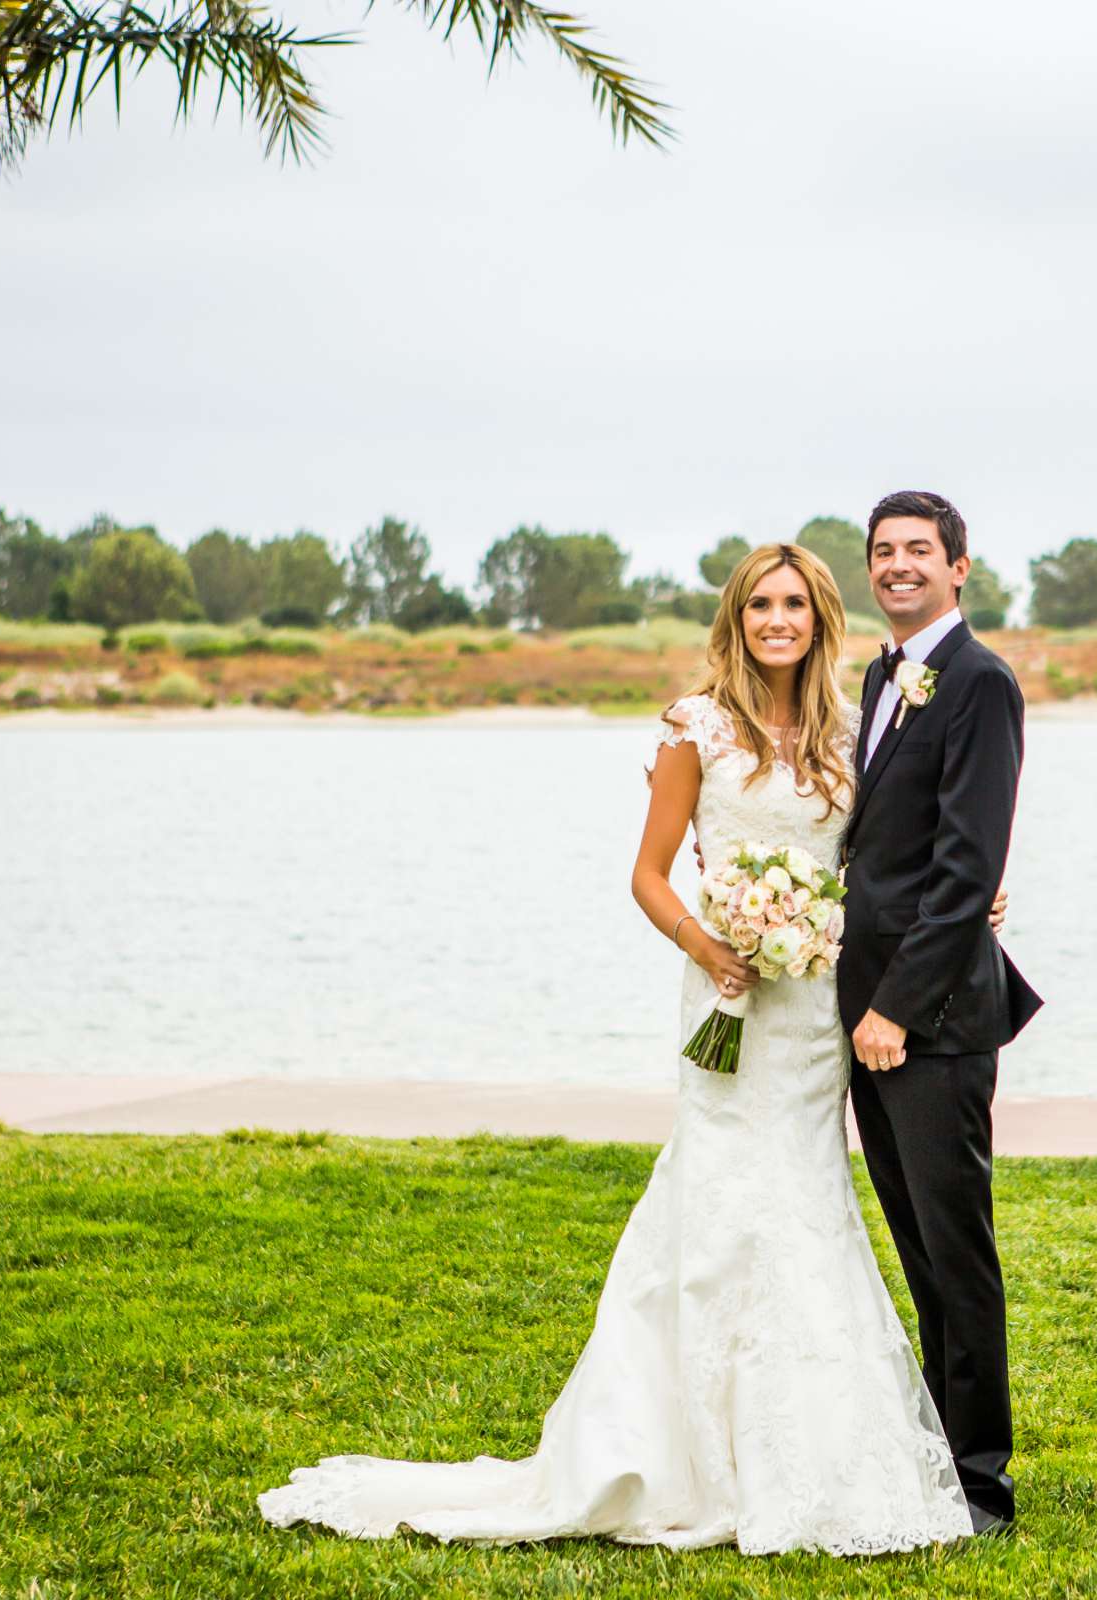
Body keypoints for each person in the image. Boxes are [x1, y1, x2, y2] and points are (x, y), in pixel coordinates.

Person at [256, 539, 1018, 1556]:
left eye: (795, 604)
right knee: (713, 1206)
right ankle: (678, 1449)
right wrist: (716, 943)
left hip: (815, 1012)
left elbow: (891, 849)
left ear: (820, 617)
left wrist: (967, 900)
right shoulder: (693, 727)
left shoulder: (847, 729)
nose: (778, 622)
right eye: (760, 606)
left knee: (809, 1206)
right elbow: (651, 874)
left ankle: (822, 1453)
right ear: (737, 620)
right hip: (729, 995)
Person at [838, 489, 1042, 1535]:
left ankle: (981, 1485)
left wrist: (896, 1011)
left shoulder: (980, 683)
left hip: (933, 1023)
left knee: (957, 1255)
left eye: (920, 550)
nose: (900, 564)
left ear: (960, 567)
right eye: (885, 551)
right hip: (867, 1020)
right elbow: (878, 846)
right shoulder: (886, 674)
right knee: (917, 1247)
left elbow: (968, 872)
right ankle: (935, 1457)